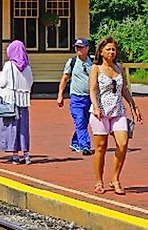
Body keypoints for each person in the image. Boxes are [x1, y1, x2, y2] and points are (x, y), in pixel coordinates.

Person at [88, 37, 142, 194]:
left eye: (113, 49)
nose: (111, 52)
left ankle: (115, 178)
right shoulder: (96, 68)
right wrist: (96, 107)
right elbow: (92, 89)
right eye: (108, 49)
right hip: (101, 112)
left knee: (123, 143)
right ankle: (99, 180)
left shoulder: (118, 67)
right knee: (101, 147)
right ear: (101, 52)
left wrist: (133, 105)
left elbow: (124, 88)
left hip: (118, 111)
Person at [0, 40, 33, 164]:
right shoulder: (27, 67)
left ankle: (15, 155)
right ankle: (26, 155)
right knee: (24, 128)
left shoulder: (8, 66)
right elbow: (30, 83)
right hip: (24, 102)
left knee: (13, 128)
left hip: (11, 101)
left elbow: (2, 83)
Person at [56, 37, 94, 155]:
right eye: (77, 47)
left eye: (81, 47)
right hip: (76, 98)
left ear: (87, 48)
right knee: (80, 121)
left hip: (90, 98)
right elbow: (65, 78)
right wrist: (60, 95)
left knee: (85, 122)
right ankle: (85, 146)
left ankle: (75, 142)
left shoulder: (93, 62)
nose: (78, 49)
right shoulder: (71, 62)